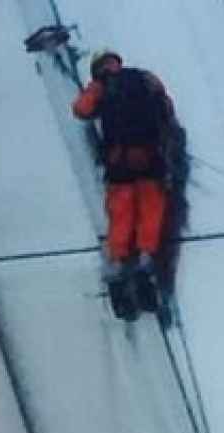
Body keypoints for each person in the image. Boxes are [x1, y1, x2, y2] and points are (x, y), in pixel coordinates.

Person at [72, 51, 175, 312]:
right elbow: (166, 107)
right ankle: (145, 263)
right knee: (151, 214)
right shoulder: (144, 78)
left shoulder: (101, 86)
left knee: (121, 217)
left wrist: (96, 90)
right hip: (150, 159)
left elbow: (81, 110)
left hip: (119, 163)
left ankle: (119, 269)